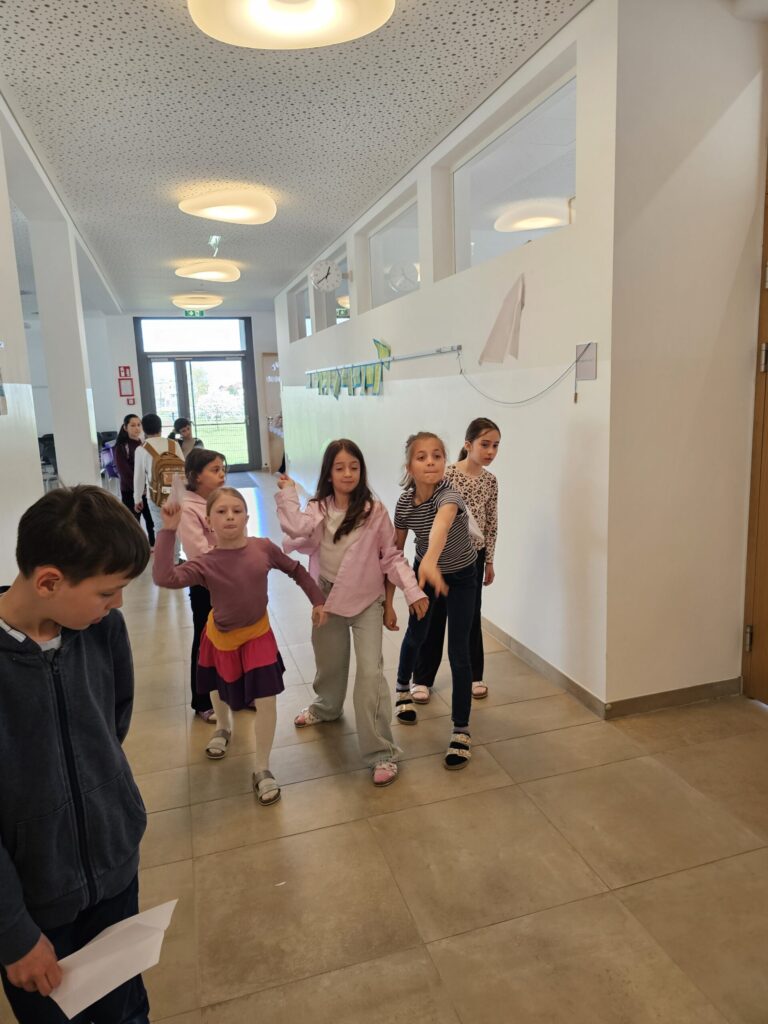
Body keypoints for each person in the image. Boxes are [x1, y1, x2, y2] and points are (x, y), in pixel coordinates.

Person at [0, 486, 151, 1024]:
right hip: (34, 906)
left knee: (127, 1010)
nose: (118, 605)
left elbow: (113, 720)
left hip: (114, 872)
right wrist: (13, 933)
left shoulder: (101, 628)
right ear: (48, 582)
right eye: (108, 592)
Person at [152, 486, 326, 805]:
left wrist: (317, 599)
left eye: (236, 510)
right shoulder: (205, 563)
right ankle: (223, 727)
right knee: (217, 686)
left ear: (247, 517)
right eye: (221, 512)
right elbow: (165, 578)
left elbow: (296, 570)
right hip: (220, 635)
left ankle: (262, 767)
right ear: (208, 521)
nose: (230, 516)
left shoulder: (263, 548)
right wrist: (168, 530)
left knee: (267, 699)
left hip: (258, 636)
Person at [275, 439, 428, 787]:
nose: (347, 473)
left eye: (354, 467)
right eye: (340, 467)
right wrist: (287, 493)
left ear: (362, 471)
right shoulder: (317, 508)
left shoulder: (374, 511)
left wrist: (412, 590)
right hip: (326, 598)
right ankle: (326, 707)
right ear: (328, 473)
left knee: (371, 674)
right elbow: (296, 529)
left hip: (366, 601)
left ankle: (381, 751)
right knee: (329, 661)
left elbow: (391, 556)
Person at [393, 432, 478, 770]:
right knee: (417, 634)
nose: (431, 462)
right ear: (409, 466)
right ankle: (402, 688)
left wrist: (430, 559)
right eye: (422, 457)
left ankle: (461, 730)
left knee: (459, 651)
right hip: (424, 577)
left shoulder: (450, 495)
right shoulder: (404, 505)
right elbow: (393, 553)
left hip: (462, 577)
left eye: (437, 455)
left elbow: (441, 527)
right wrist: (392, 597)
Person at [411, 418, 500, 703]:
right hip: (442, 557)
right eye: (485, 444)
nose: (490, 451)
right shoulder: (446, 474)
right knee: (434, 617)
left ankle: (474, 675)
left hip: (474, 558)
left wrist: (489, 560)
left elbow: (491, 523)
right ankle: (422, 679)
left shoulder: (490, 481)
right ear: (468, 445)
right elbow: (427, 511)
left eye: (495, 446)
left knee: (470, 618)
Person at [177, 448, 227, 723]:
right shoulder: (188, 507)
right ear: (196, 476)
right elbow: (198, 551)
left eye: (222, 469)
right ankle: (203, 701)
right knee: (206, 640)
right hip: (205, 584)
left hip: (230, 579)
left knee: (233, 636)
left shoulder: (220, 499)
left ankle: (234, 692)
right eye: (215, 470)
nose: (222, 474)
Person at [133, 414, 184, 561]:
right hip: (175, 494)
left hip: (155, 496)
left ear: (144, 429)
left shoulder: (142, 449)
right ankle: (176, 559)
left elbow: (138, 477)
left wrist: (137, 498)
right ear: (160, 427)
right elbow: (183, 467)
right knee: (175, 526)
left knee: (160, 528)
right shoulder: (173, 444)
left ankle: (165, 560)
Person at [113, 414, 156, 548]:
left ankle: (153, 546)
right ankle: (136, 549)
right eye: (132, 425)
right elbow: (124, 472)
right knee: (133, 523)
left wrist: (146, 488)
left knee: (151, 521)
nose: (137, 428)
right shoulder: (121, 447)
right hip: (129, 491)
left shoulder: (143, 444)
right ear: (125, 427)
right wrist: (138, 490)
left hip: (146, 491)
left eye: (139, 425)